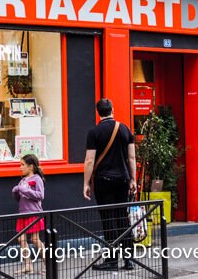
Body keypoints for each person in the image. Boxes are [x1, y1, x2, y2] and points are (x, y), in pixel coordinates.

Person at [83, 98, 137, 271]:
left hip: (103, 180)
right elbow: (132, 157)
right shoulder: (125, 129)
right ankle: (129, 260)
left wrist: (86, 183)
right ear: (112, 110)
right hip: (123, 179)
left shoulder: (94, 132)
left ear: (98, 112)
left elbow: (90, 160)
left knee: (108, 218)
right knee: (123, 217)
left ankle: (112, 260)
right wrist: (133, 179)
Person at [12, 154, 46, 274]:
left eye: (22, 165)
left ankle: (47, 265)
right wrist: (16, 192)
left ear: (30, 166)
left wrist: (24, 189)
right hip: (23, 214)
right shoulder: (22, 180)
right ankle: (28, 266)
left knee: (35, 239)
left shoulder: (37, 179)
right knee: (21, 239)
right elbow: (20, 199)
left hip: (34, 213)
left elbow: (40, 195)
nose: (20, 167)